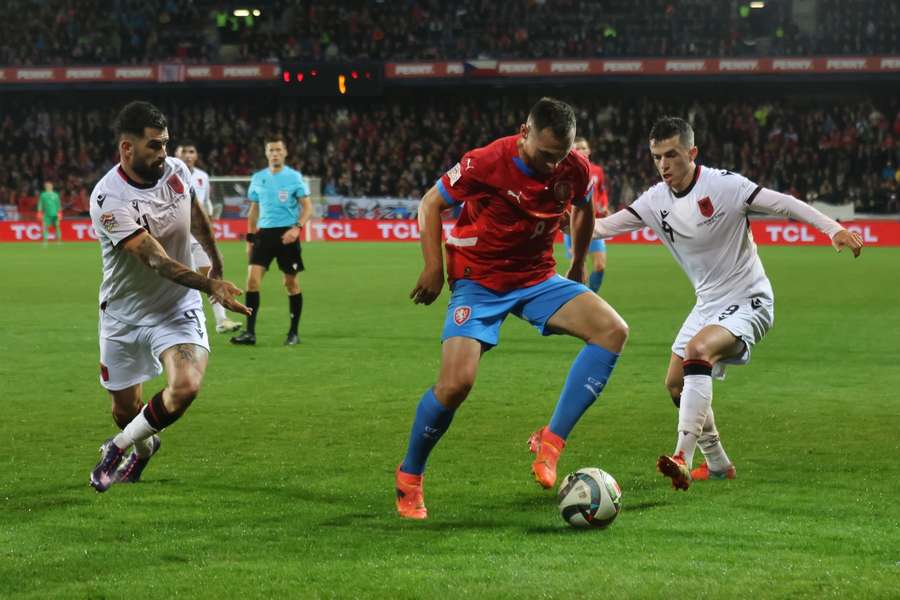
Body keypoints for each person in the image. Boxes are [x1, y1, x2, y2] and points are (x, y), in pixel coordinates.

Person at [592, 116, 864, 491]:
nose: (664, 165)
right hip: (708, 304)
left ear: (692, 152)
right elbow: (603, 227)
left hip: (750, 297)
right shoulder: (655, 200)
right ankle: (718, 464)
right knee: (675, 384)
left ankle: (681, 458)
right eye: (657, 157)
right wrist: (551, 219)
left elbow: (782, 204)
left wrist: (833, 228)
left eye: (671, 155)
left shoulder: (724, 186)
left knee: (697, 351)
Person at [395, 98, 629, 519]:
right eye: (544, 155)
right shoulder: (487, 161)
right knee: (455, 386)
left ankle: (550, 441)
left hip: (537, 277)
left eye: (561, 155)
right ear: (524, 133)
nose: (552, 165)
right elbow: (430, 202)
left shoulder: (572, 167)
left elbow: (584, 209)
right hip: (479, 280)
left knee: (612, 331)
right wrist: (432, 267)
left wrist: (576, 263)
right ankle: (409, 477)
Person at [88, 101, 250, 493]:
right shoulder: (108, 199)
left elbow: (195, 214)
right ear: (127, 149)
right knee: (124, 409)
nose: (164, 154)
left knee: (186, 387)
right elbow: (156, 261)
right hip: (124, 314)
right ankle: (142, 449)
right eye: (154, 146)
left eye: (165, 144)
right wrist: (210, 285)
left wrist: (215, 259)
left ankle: (118, 447)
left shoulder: (177, 172)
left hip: (178, 307)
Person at [230, 134, 312, 346]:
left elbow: (308, 207)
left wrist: (297, 228)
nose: (275, 153)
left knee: (290, 283)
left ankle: (293, 333)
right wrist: (249, 239)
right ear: (266, 153)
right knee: (252, 282)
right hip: (264, 235)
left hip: (287, 235)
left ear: (285, 153)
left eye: (278, 150)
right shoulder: (258, 178)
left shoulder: (294, 177)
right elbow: (253, 211)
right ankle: (250, 333)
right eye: (271, 150)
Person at [175, 141, 243, 334]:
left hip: (197, 237)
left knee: (211, 275)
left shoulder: (202, 177)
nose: (188, 155)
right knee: (172, 279)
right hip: (174, 236)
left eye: (191, 151)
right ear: (176, 155)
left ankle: (221, 320)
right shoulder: (167, 175)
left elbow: (204, 204)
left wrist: (208, 224)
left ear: (196, 155)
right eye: (184, 151)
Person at [564, 137, 609, 292]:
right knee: (579, 268)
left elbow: (602, 191)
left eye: (584, 147)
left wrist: (604, 204)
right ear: (572, 151)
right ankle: (580, 302)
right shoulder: (566, 172)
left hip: (593, 223)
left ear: (589, 150)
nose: (582, 150)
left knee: (600, 266)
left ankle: (592, 296)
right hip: (573, 224)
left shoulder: (597, 171)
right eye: (578, 148)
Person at [37, 181, 63, 245]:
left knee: (57, 226)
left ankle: (59, 241)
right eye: (47, 186)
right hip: (46, 214)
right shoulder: (43, 195)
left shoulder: (55, 195)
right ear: (45, 187)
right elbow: (40, 204)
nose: (48, 187)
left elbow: (58, 204)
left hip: (55, 214)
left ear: (52, 186)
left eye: (49, 186)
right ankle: (45, 241)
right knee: (45, 227)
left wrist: (60, 213)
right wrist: (39, 212)